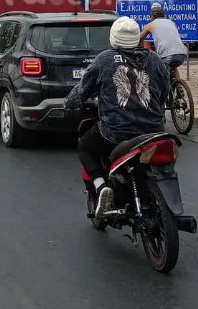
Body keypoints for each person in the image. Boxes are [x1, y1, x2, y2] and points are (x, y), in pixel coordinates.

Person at [64, 16, 171, 219]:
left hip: (115, 132)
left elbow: (82, 90)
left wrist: (68, 104)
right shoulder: (155, 60)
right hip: (155, 132)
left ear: (113, 39)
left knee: (86, 147)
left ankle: (101, 185)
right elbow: (164, 92)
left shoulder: (105, 59)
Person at [138, 3, 188, 81]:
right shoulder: (172, 22)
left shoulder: (150, 25)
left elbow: (140, 38)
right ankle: (178, 86)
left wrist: (139, 48)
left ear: (152, 16)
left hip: (167, 56)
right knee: (173, 67)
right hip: (182, 54)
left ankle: (165, 90)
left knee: (157, 73)